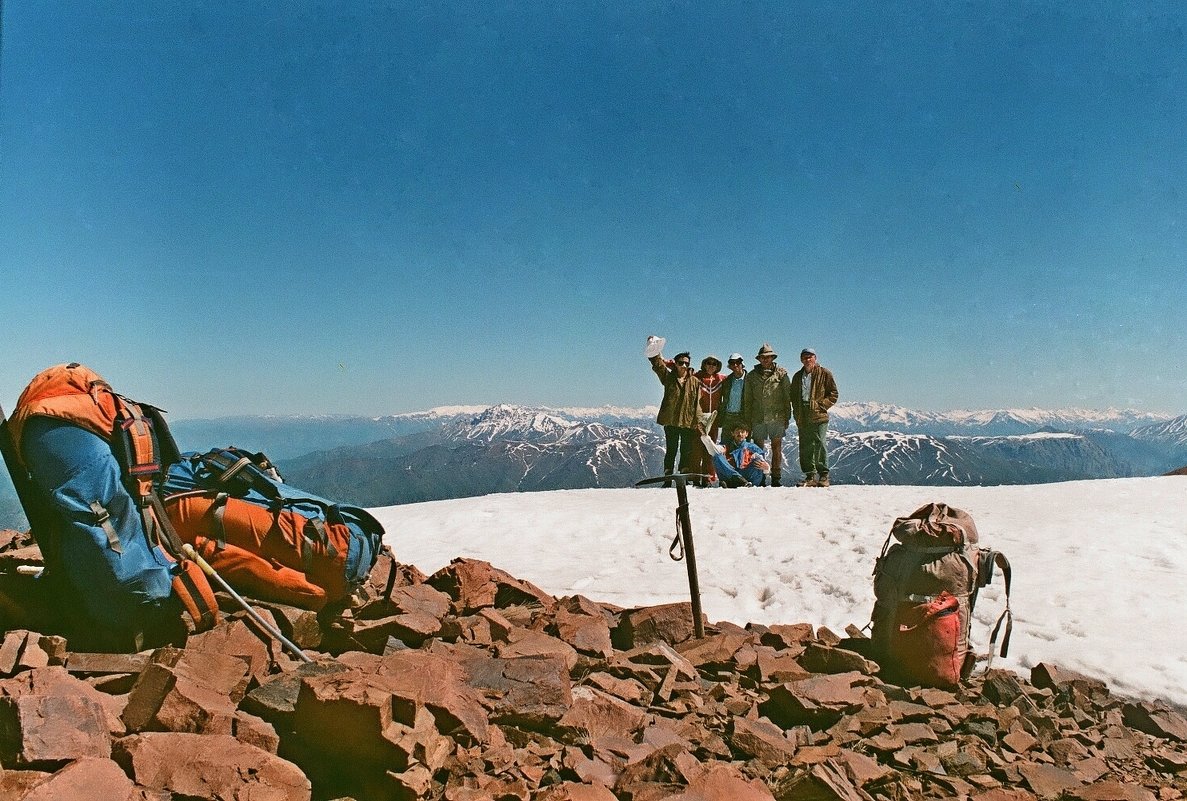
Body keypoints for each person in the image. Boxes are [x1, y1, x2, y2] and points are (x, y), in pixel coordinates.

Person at [647, 344, 702, 486]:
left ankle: (682, 477)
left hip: (688, 421)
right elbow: (658, 366)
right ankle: (668, 477)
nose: (683, 365)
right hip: (671, 421)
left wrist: (698, 420)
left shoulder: (695, 382)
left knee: (685, 450)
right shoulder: (668, 377)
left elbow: (697, 403)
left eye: (686, 363)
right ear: (675, 364)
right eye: (680, 363)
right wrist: (654, 349)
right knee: (671, 449)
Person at [743, 343, 792, 486]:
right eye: (763, 358)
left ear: (772, 358)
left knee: (777, 448)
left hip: (777, 417)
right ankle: (761, 477)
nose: (765, 360)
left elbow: (786, 397)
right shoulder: (751, 376)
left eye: (768, 357)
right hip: (758, 417)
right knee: (758, 449)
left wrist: (787, 417)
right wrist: (748, 420)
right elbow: (748, 399)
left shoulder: (782, 374)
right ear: (759, 359)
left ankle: (776, 479)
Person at [791, 348, 840, 487]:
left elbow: (833, 393)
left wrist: (821, 406)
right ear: (801, 359)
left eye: (810, 357)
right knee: (805, 445)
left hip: (818, 414)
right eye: (805, 357)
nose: (807, 360)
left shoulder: (824, 373)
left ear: (815, 358)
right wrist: (796, 412)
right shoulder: (797, 376)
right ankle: (809, 476)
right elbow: (793, 397)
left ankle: (824, 475)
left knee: (819, 443)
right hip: (803, 413)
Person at [691, 355, 724, 486]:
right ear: (704, 364)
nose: (711, 365)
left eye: (714, 363)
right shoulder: (697, 377)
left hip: (713, 421)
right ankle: (695, 478)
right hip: (699, 419)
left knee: (709, 450)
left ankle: (707, 479)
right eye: (708, 363)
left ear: (717, 366)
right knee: (696, 450)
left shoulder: (721, 379)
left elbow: (738, 377)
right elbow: (678, 369)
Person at [712, 423, 770, 487]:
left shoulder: (752, 447)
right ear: (732, 433)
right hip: (732, 475)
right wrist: (706, 438)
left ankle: (741, 482)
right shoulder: (727, 446)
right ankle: (738, 480)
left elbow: (762, 462)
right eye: (737, 432)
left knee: (757, 460)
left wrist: (767, 468)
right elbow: (715, 449)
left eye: (742, 432)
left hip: (748, 477)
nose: (740, 434)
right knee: (717, 456)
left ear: (747, 434)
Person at [717, 353, 748, 447]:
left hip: (743, 417)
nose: (735, 365)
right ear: (729, 366)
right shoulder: (727, 381)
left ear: (742, 363)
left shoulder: (750, 379)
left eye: (737, 362)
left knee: (742, 447)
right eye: (732, 363)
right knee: (725, 445)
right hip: (728, 417)